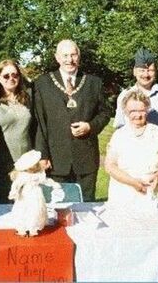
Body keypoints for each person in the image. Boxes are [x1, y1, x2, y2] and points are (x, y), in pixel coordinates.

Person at [34, 39, 111, 202]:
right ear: (57, 58)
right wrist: (43, 155)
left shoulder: (93, 83)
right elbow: (40, 123)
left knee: (86, 208)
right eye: (65, 55)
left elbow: (105, 113)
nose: (69, 60)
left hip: (86, 159)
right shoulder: (42, 84)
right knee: (56, 210)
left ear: (79, 56)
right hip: (56, 161)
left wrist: (90, 126)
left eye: (73, 55)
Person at [105, 90, 158, 203]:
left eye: (141, 110)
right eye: (133, 111)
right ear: (126, 112)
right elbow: (110, 165)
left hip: (154, 190)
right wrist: (133, 182)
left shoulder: (156, 131)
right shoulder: (119, 135)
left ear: (147, 110)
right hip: (124, 193)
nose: (138, 115)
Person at [0, 59, 33, 203]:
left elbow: (35, 129)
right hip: (2, 163)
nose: (11, 79)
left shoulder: (28, 98)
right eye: (6, 76)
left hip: (26, 162)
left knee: (27, 203)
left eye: (15, 75)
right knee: (5, 206)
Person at [114, 47, 158, 132]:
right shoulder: (124, 95)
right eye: (142, 70)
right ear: (134, 71)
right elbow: (120, 127)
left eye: (150, 70)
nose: (146, 75)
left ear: (155, 72)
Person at [8, 150, 63, 237]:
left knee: (35, 211)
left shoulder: (38, 175)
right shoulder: (23, 176)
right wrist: (14, 192)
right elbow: (16, 184)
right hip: (26, 195)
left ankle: (32, 229)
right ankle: (23, 229)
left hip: (35, 195)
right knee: (24, 210)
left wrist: (54, 184)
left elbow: (45, 181)